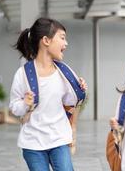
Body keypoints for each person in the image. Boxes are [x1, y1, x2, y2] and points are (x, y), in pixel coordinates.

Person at [9, 17, 87, 171]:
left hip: (58, 139)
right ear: (46, 40)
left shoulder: (64, 72)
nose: (66, 43)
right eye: (62, 38)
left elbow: (71, 101)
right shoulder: (23, 74)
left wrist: (80, 89)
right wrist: (25, 103)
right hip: (32, 143)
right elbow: (14, 107)